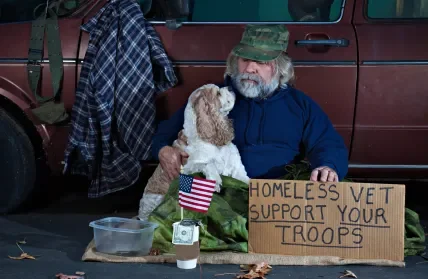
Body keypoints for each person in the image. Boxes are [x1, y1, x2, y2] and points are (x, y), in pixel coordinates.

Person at [151, 24, 348, 184]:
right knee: (180, 211)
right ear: (234, 62)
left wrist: (328, 166)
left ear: (280, 68)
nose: (250, 68)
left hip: (278, 191)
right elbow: (163, 133)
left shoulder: (299, 104)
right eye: (245, 59)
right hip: (217, 188)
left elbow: (327, 143)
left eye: (262, 62)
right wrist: (163, 150)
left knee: (335, 192)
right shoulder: (211, 98)